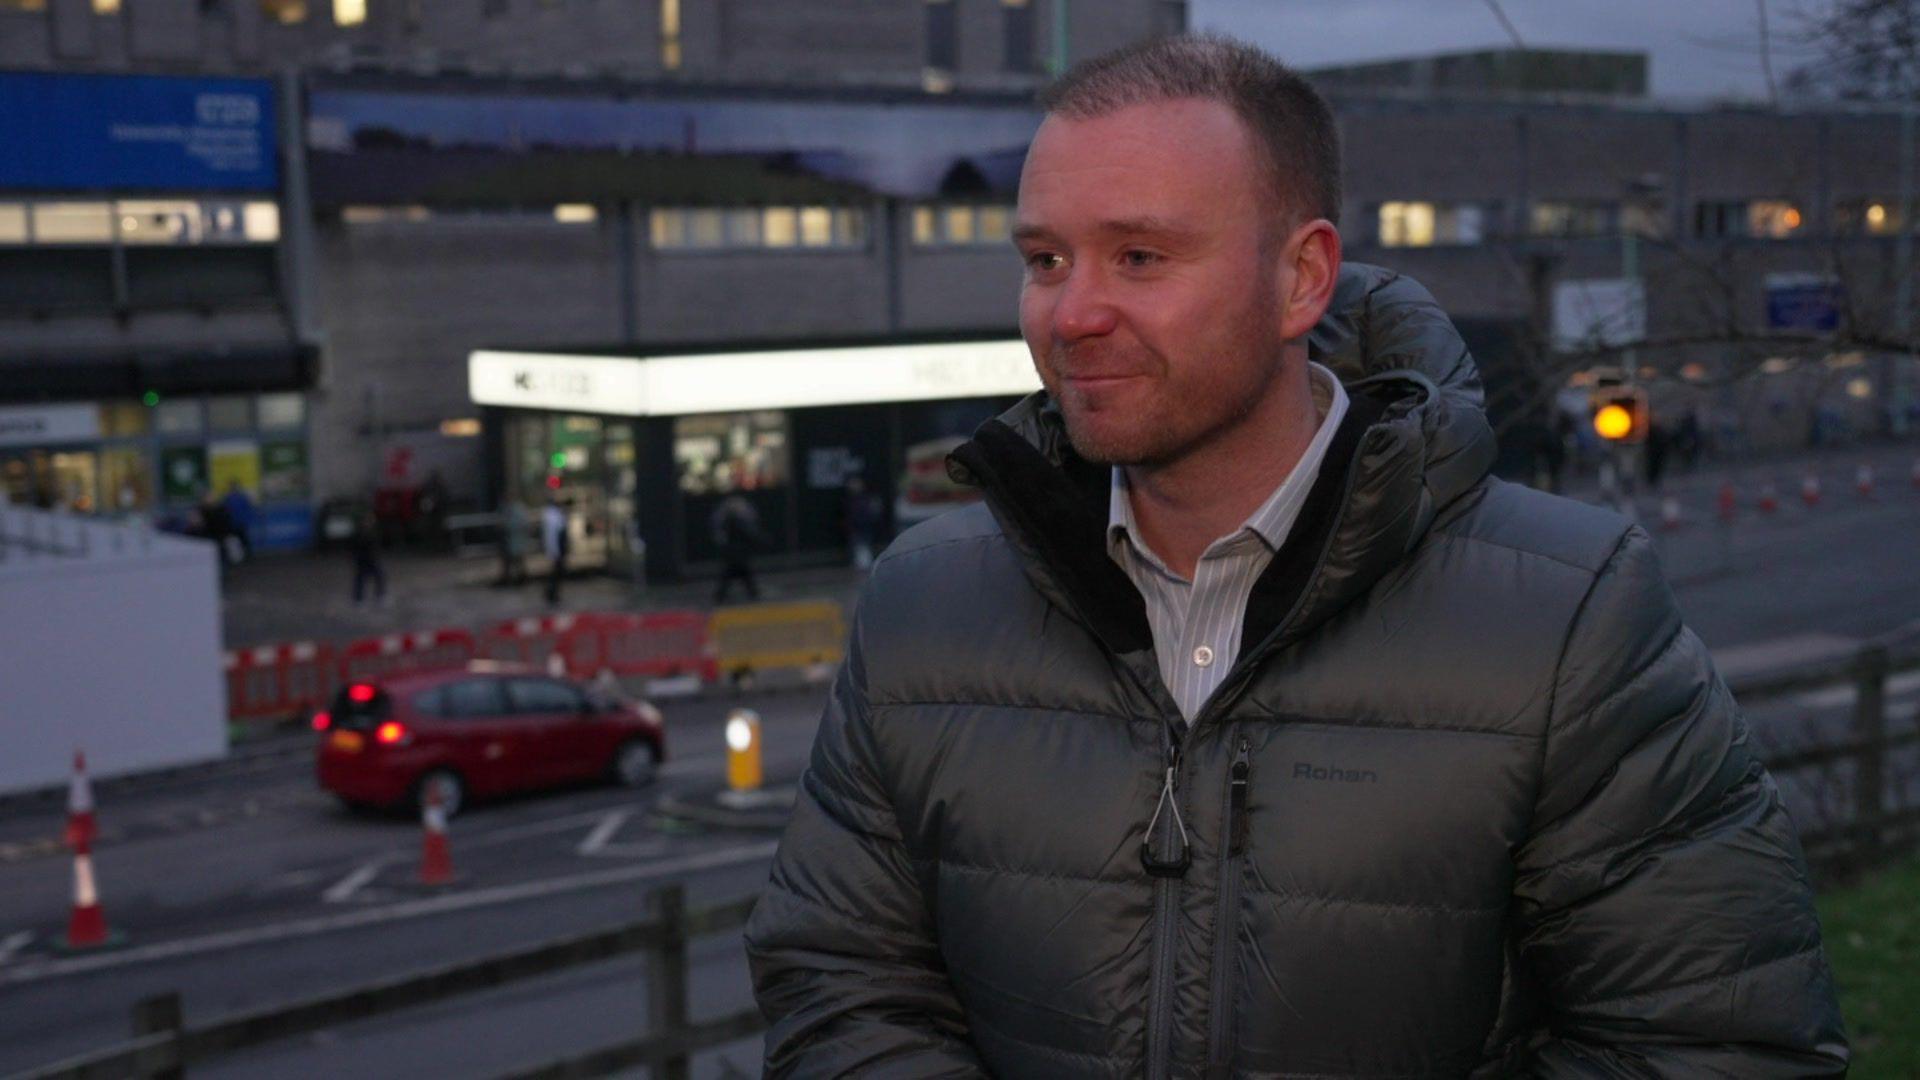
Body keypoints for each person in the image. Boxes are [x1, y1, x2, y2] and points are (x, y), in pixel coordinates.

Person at [744, 34, 1846, 1077]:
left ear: (1302, 278)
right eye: (1045, 258)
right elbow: (840, 982)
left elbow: (1713, 1041)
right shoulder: (922, 604)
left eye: (1140, 255)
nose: (1071, 313)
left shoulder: (1570, 615)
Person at [710, 493, 762, 604]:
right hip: (737, 552)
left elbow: (721, 537)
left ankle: (721, 595)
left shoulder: (725, 519)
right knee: (738, 572)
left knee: (735, 573)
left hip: (733, 552)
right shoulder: (737, 521)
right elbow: (748, 534)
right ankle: (751, 593)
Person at [841, 475, 883, 571]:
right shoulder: (849, 500)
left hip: (865, 527)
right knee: (856, 547)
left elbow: (873, 512)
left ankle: (864, 565)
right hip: (855, 528)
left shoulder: (866, 498)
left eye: (856, 483)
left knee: (864, 547)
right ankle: (859, 565)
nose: (854, 486)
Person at [348, 509, 385, 606]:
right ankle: (358, 598)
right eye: (368, 520)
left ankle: (379, 595)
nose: (370, 522)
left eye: (371, 520)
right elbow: (354, 547)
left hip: (372, 559)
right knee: (360, 579)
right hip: (363, 559)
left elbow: (376, 545)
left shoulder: (373, 532)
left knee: (379, 576)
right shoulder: (359, 533)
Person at [541, 494, 570, 607]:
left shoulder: (550, 515)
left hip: (554, 547)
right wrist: (556, 550)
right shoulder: (553, 516)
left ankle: (551, 593)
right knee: (556, 572)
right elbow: (557, 535)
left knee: (555, 571)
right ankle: (551, 593)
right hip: (557, 547)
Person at [221, 481, 255, 562]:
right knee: (234, 540)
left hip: (240, 522)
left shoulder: (241, 497)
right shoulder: (228, 498)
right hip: (233, 523)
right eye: (232, 486)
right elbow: (224, 510)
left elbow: (248, 508)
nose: (234, 488)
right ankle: (236, 556)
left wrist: (246, 519)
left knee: (244, 539)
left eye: (235, 486)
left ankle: (247, 555)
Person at [499, 498, 530, 587]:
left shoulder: (516, 511)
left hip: (515, 542)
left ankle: (520, 580)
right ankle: (517, 579)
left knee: (518, 562)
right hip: (514, 542)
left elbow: (516, 525)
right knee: (516, 562)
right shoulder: (514, 510)